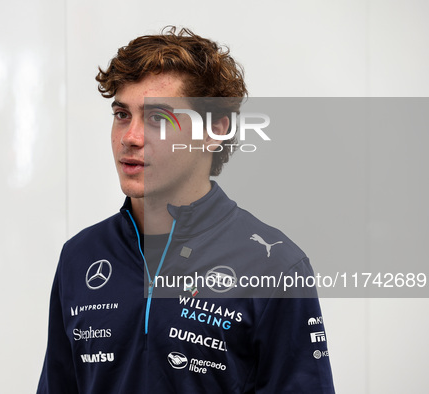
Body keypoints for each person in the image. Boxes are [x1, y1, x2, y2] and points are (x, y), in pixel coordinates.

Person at [37, 26, 335, 393]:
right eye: (121, 114)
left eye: (157, 119)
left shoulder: (275, 266)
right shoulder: (80, 256)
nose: (130, 137)